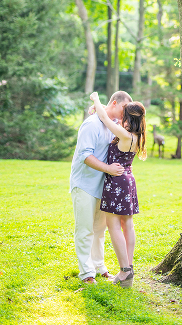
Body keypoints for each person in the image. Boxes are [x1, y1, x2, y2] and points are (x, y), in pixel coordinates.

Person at [69, 91, 132, 283]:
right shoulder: (91, 124)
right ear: (114, 103)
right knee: (85, 229)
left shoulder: (113, 125)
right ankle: (86, 273)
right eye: (124, 108)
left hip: (103, 186)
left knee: (99, 230)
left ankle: (99, 266)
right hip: (85, 185)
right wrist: (108, 169)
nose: (126, 113)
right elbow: (85, 156)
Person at [89, 92, 148, 289]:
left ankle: (124, 270)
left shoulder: (124, 134)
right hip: (128, 180)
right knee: (127, 225)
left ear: (128, 118)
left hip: (117, 182)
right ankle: (129, 267)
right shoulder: (138, 136)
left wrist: (96, 100)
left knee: (113, 225)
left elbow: (105, 118)